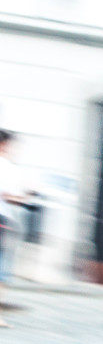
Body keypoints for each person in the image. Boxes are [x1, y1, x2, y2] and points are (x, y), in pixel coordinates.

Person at [0, 129, 26, 327]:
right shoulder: (7, 167)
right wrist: (25, 197)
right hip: (2, 218)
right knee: (2, 268)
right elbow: (9, 195)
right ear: (4, 145)